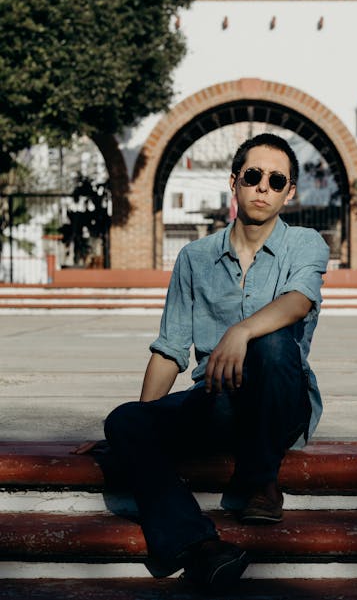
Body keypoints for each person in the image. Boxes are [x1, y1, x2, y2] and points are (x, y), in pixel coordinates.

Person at [85, 133, 329, 592]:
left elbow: (298, 302)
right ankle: (200, 549)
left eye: (276, 181)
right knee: (123, 421)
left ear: (289, 192)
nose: (263, 188)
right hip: (217, 402)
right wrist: (145, 416)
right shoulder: (194, 258)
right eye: (253, 176)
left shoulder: (306, 243)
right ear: (234, 182)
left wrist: (241, 330)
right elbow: (170, 349)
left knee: (273, 346)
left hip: (281, 402)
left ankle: (260, 482)